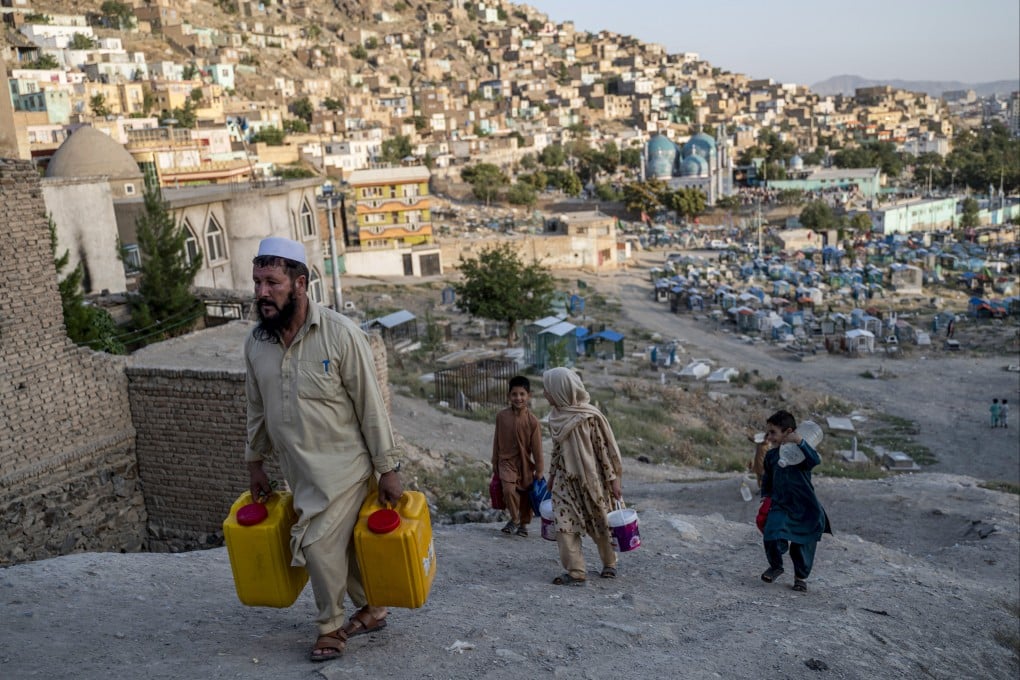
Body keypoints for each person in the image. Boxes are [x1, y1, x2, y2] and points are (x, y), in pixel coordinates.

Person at [243, 237, 404, 663]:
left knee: (317, 544)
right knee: (344, 547)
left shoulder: (341, 335)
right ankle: (373, 608)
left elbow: (372, 406)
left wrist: (388, 468)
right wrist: (256, 462)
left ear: (300, 283)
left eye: (272, 282)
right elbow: (256, 407)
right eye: (257, 282)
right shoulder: (257, 343)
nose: (262, 293)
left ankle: (330, 627)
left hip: (345, 467)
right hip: (298, 472)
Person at [542, 367, 623, 585]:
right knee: (563, 523)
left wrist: (613, 479)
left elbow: (602, 451)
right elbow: (557, 451)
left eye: (547, 390)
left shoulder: (589, 417)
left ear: (560, 390)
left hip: (591, 479)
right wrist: (551, 477)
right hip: (564, 480)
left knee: (599, 520)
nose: (544, 394)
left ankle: (609, 563)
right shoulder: (556, 418)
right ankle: (576, 571)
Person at [758, 409, 831, 593]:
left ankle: (800, 578)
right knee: (771, 533)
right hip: (781, 504)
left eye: (773, 432)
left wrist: (801, 442)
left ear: (788, 432)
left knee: (803, 543)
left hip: (805, 506)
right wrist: (766, 497)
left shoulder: (801, 452)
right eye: (768, 432)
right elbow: (768, 477)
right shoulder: (772, 456)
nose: (769, 436)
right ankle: (776, 566)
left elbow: (814, 460)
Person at [491, 375, 544, 537]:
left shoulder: (532, 421)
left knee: (525, 494)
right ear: (509, 396)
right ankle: (514, 519)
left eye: (522, 394)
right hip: (506, 462)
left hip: (525, 463)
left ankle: (524, 524)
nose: (518, 398)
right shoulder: (501, 417)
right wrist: (495, 461)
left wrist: (540, 469)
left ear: (529, 396)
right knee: (508, 490)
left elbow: (537, 448)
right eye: (514, 394)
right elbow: (496, 440)